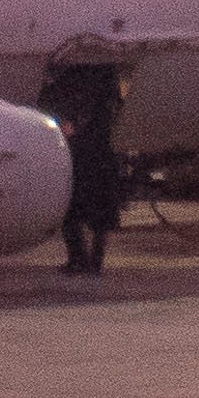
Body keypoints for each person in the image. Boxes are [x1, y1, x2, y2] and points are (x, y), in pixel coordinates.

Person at [43, 63, 127, 276]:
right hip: (95, 155)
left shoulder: (80, 78)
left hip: (87, 154)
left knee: (79, 210)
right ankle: (88, 260)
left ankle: (83, 259)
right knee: (89, 212)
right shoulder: (104, 78)